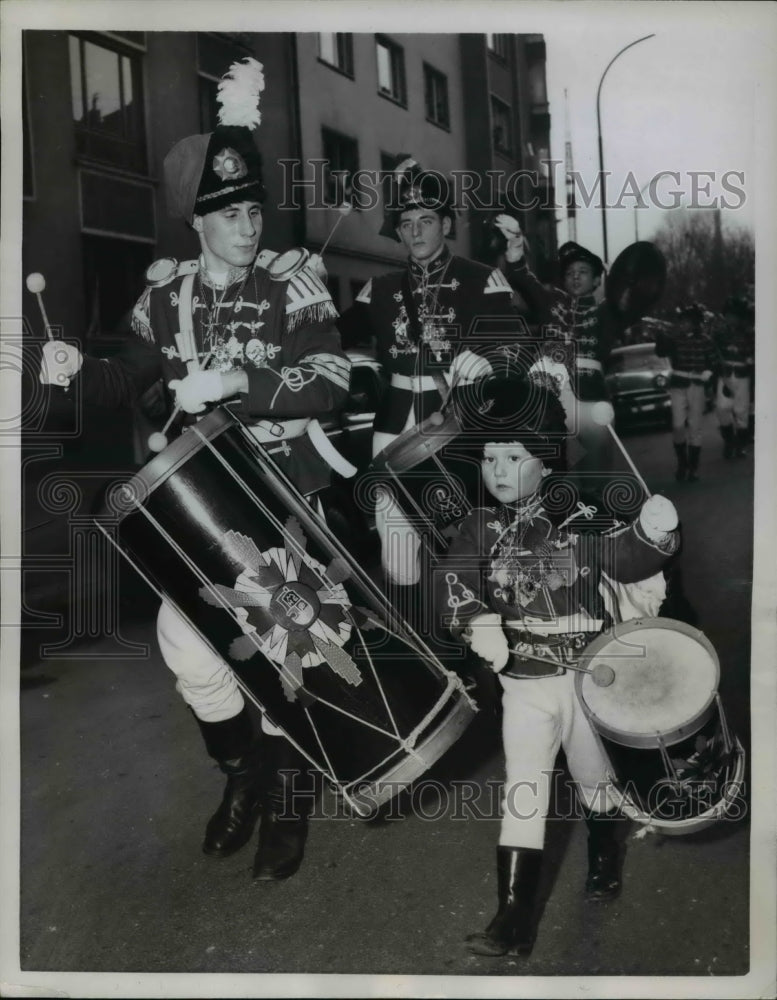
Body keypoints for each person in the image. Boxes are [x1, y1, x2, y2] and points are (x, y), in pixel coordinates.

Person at [38, 58, 350, 882]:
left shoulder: (294, 290)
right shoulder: (162, 301)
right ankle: (242, 776)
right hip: (197, 508)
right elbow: (130, 378)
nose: (248, 227)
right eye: (229, 214)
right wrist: (71, 366)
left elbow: (333, 382)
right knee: (190, 649)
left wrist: (242, 382)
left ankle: (286, 797)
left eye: (253, 209)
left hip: (282, 502)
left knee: (287, 645)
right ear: (196, 222)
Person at [434, 375, 681, 957]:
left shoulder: (579, 512)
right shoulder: (479, 525)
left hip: (588, 680)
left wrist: (656, 530)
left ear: (544, 462)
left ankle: (604, 852)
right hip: (523, 683)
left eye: (513, 457)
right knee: (524, 787)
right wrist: (476, 619)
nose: (497, 469)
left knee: (595, 778)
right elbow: (450, 578)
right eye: (490, 456)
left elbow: (626, 559)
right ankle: (512, 920)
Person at [333, 160, 532, 621]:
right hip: (394, 425)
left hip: (459, 423)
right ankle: (417, 639)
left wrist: (490, 359)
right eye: (406, 223)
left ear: (445, 224)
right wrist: (304, 289)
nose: (416, 232)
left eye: (426, 221)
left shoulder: (481, 278)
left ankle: (482, 629)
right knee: (396, 539)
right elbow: (329, 336)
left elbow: (520, 344)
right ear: (398, 232)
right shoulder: (379, 289)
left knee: (465, 533)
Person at [493, 215, 627, 492]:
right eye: (569, 272)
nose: (575, 277)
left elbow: (633, 300)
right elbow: (522, 277)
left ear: (596, 280)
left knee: (595, 477)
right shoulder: (550, 301)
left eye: (583, 271)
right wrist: (516, 245)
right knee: (551, 476)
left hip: (592, 401)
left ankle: (597, 521)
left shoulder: (606, 311)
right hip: (551, 402)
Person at [654, 303, 720, 482]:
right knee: (677, 425)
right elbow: (660, 352)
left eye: (687, 321)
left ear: (695, 323)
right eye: (681, 321)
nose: (682, 325)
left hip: (697, 385)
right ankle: (682, 463)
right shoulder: (675, 339)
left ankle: (693, 467)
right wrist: (659, 335)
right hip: (678, 384)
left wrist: (709, 374)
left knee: (695, 427)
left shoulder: (706, 340)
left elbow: (715, 362)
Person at [712, 295, 755, 460]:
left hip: (743, 375)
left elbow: (753, 353)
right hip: (725, 374)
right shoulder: (720, 332)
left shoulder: (749, 333)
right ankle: (729, 441)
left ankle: (740, 445)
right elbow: (713, 348)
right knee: (722, 409)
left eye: (734, 315)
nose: (730, 318)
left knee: (741, 411)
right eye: (728, 315)